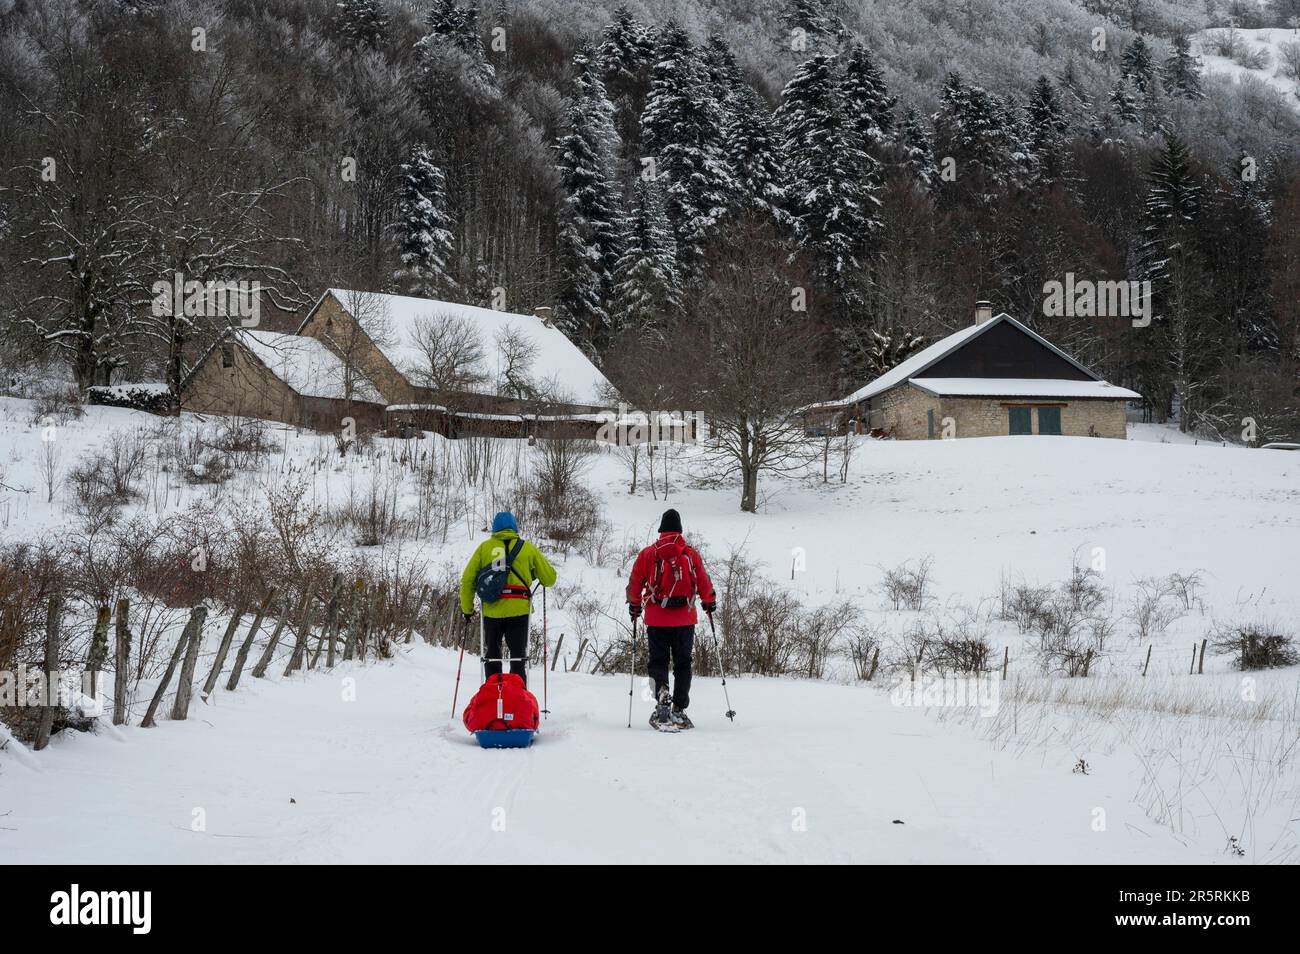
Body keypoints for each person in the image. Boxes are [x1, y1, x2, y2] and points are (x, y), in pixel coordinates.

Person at [626, 508, 716, 729]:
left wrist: (634, 605)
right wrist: (709, 601)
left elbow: (635, 582)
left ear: (661, 530)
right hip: (685, 620)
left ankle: (662, 696)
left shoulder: (647, 554)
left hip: (656, 619)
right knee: (683, 664)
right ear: (679, 530)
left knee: (658, 662)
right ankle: (679, 708)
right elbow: (703, 581)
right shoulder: (691, 554)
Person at [460, 511, 556, 684]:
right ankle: (518, 698)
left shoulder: (484, 548)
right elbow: (549, 579)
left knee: (492, 655)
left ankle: (493, 694)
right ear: (515, 527)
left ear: (495, 528)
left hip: (491, 610)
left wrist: (467, 610)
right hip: (519, 610)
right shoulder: (527, 548)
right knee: (518, 656)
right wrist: (532, 573)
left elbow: (467, 580)